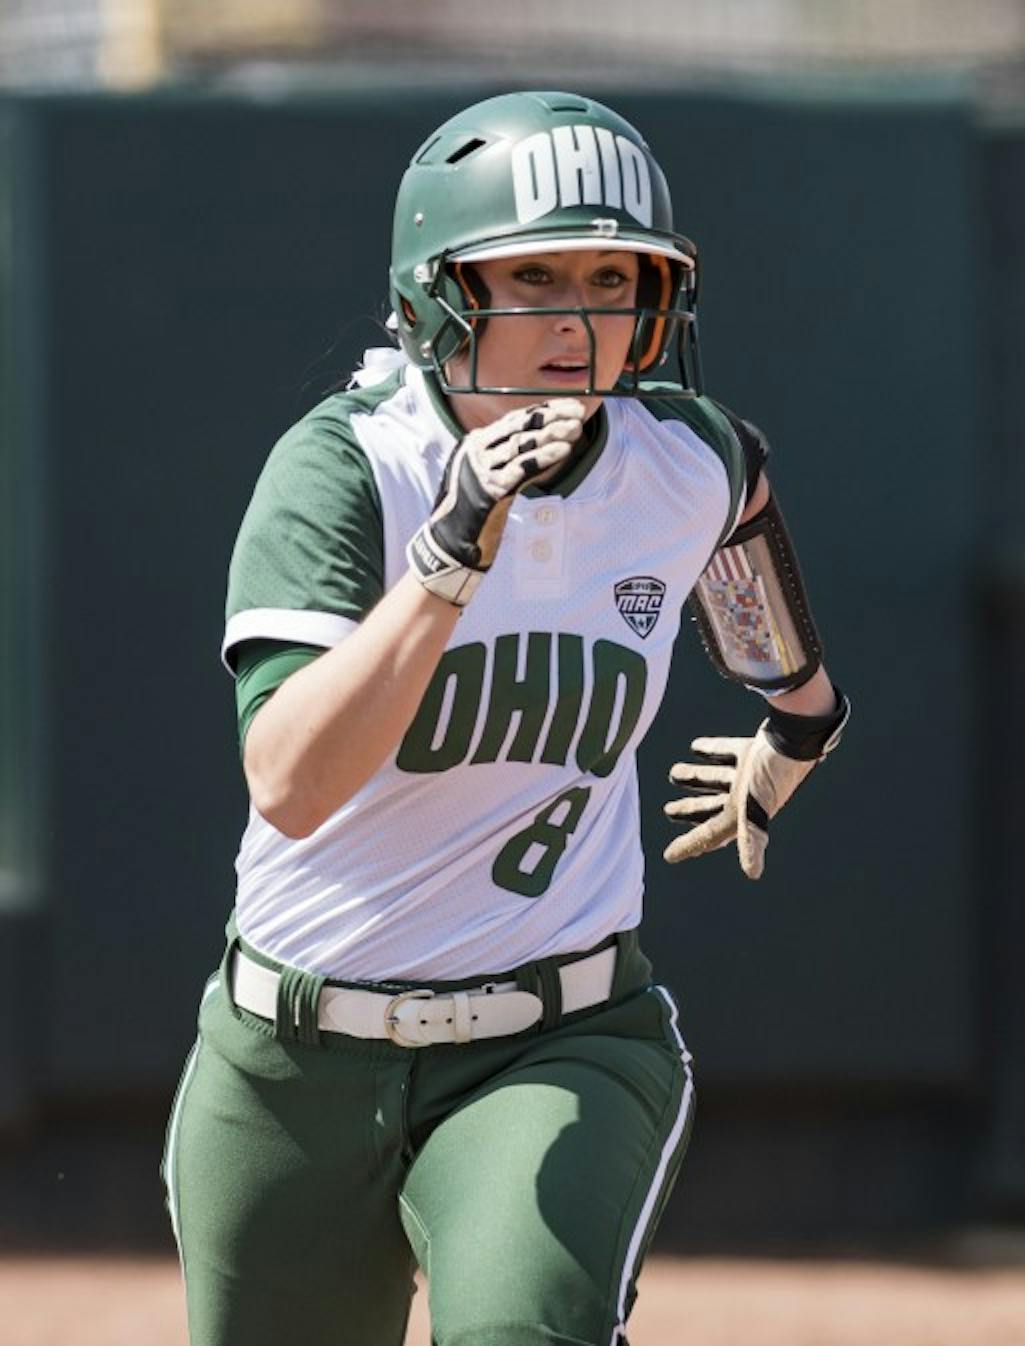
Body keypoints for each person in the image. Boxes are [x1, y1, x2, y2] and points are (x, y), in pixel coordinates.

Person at [158, 91, 849, 1346]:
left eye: (612, 277)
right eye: (533, 275)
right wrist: (449, 553)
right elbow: (291, 783)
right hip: (294, 1055)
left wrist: (797, 726)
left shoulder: (685, 457)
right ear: (438, 293)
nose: (579, 317)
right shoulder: (349, 465)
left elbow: (747, 539)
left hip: (558, 1036)